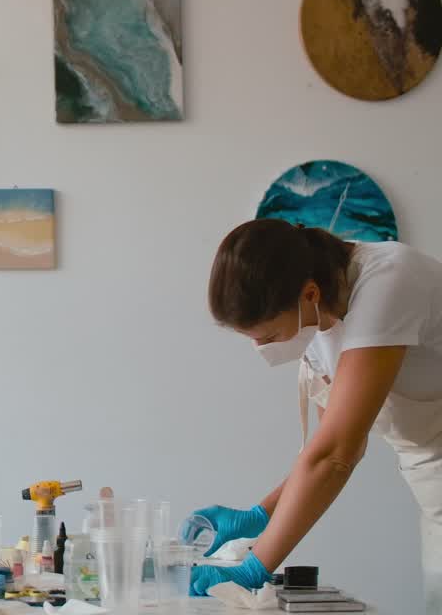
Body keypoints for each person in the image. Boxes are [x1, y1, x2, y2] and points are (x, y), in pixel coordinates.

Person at [188, 220, 442, 608]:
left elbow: (335, 454)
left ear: (309, 293)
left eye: (268, 337)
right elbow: (334, 448)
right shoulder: (315, 315)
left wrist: (254, 568)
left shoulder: (388, 281)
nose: (262, 348)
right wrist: (261, 514)